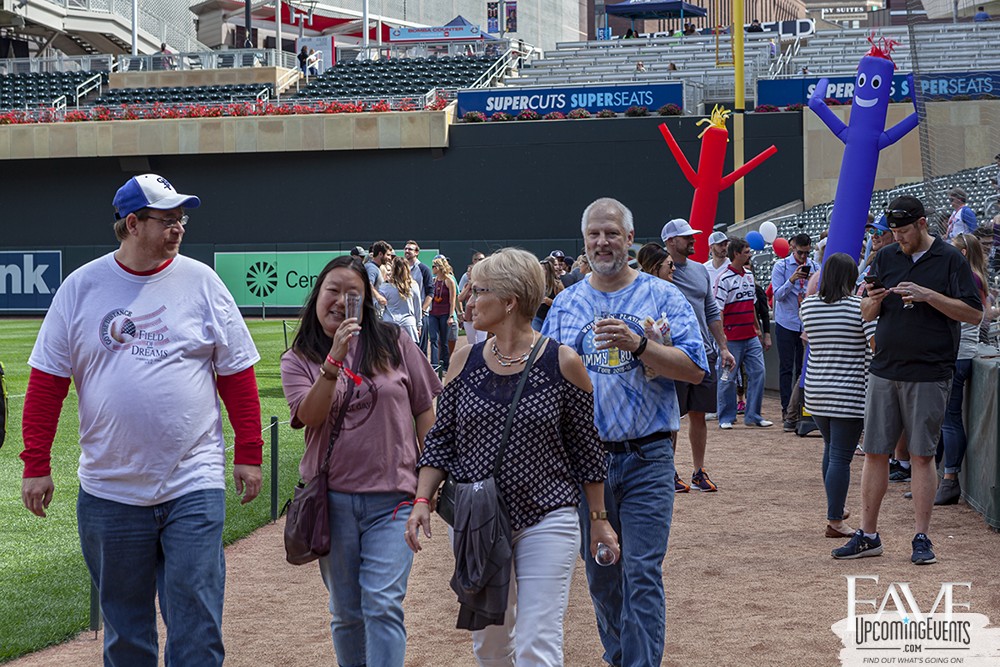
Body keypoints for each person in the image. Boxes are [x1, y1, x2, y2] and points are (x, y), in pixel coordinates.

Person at [20, 173, 264, 666]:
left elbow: (237, 374)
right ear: (132, 223)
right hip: (110, 490)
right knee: (127, 633)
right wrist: (35, 463)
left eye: (182, 218)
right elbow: (47, 381)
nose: (179, 227)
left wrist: (249, 453)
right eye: (167, 218)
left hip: (192, 482)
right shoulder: (81, 287)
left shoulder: (202, 282)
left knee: (196, 627)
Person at [406, 248, 616, 666]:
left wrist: (598, 520)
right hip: (477, 518)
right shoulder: (463, 360)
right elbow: (441, 439)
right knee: (492, 643)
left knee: (537, 640)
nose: (467, 300)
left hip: (547, 516)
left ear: (509, 301)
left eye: (477, 291)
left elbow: (588, 452)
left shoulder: (563, 362)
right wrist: (422, 499)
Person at [542, 198, 708, 667]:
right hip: (586, 465)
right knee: (602, 575)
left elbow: (697, 369)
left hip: (647, 457)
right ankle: (619, 656)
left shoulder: (662, 296)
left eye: (612, 233)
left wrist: (640, 345)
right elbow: (548, 377)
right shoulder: (568, 304)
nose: (602, 241)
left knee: (642, 573)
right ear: (584, 240)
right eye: (594, 233)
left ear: (630, 239)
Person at [280, 256, 442, 665]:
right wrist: (333, 361)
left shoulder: (394, 341)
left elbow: (425, 409)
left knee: (384, 603)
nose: (339, 301)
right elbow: (310, 415)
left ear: (365, 303)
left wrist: (429, 481)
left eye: (352, 294)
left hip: (394, 498)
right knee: (347, 613)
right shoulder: (298, 358)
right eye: (332, 290)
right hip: (332, 502)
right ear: (317, 294)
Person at [833, 196, 982, 565]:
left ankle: (922, 537)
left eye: (902, 232)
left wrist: (928, 295)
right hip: (885, 367)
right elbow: (866, 309)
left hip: (930, 371)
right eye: (893, 233)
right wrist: (873, 300)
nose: (897, 239)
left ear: (921, 224)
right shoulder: (885, 258)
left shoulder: (950, 259)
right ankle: (868, 534)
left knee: (921, 455)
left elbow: (974, 314)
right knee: (874, 452)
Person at [800, 253, 876, 540]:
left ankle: (836, 507)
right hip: (850, 391)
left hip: (817, 390)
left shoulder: (808, 306)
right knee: (841, 457)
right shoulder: (859, 307)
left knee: (831, 451)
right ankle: (835, 519)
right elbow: (874, 344)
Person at [662, 219, 736, 493]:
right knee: (671, 417)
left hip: (703, 353)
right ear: (670, 242)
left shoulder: (699, 270)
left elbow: (711, 311)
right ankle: (667, 472)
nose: (692, 240)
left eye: (692, 236)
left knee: (698, 414)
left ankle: (698, 471)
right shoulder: (658, 272)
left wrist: (723, 346)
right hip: (674, 354)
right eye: (685, 237)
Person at [936, 233, 989, 505]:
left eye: (953, 249)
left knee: (949, 419)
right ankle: (941, 480)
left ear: (964, 252)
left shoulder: (969, 277)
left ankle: (949, 480)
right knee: (945, 419)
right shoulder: (971, 275)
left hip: (959, 353)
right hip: (957, 352)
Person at [713, 237, 772, 429]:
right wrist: (721, 338)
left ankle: (753, 415)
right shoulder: (723, 279)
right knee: (727, 377)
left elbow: (752, 304)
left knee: (759, 372)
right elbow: (718, 309)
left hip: (750, 335)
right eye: (746, 251)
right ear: (736, 254)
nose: (750, 254)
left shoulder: (749, 276)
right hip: (731, 337)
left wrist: (757, 328)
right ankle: (726, 417)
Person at [770, 233, 819, 432]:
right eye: (800, 253)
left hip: (805, 324)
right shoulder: (780, 266)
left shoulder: (815, 267)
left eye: (807, 253)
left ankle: (799, 410)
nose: (803, 258)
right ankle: (785, 409)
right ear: (792, 248)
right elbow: (778, 296)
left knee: (803, 368)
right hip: (786, 323)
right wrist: (792, 280)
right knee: (786, 368)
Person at [380, 255, 422, 342]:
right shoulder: (413, 285)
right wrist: (419, 325)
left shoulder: (385, 286)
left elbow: (378, 305)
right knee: (408, 354)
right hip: (409, 324)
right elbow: (417, 306)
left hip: (390, 323)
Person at [404, 240, 434, 355]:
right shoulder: (403, 268)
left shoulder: (423, 269)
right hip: (406, 314)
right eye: (406, 249)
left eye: (410, 249)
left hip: (420, 314)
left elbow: (430, 292)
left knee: (420, 347)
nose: (407, 251)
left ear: (416, 252)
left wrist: (421, 311)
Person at [458, 250, 488, 344]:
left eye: (482, 259)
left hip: (484, 312)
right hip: (469, 314)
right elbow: (459, 297)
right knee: (471, 342)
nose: (480, 261)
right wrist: (460, 312)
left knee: (482, 341)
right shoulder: (466, 279)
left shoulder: (488, 275)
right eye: (478, 259)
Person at [533, 256, 564, 331]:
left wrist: (549, 301)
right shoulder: (537, 284)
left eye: (541, 269)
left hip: (552, 318)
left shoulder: (557, 285)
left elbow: (563, 304)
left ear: (547, 271)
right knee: (535, 339)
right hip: (538, 317)